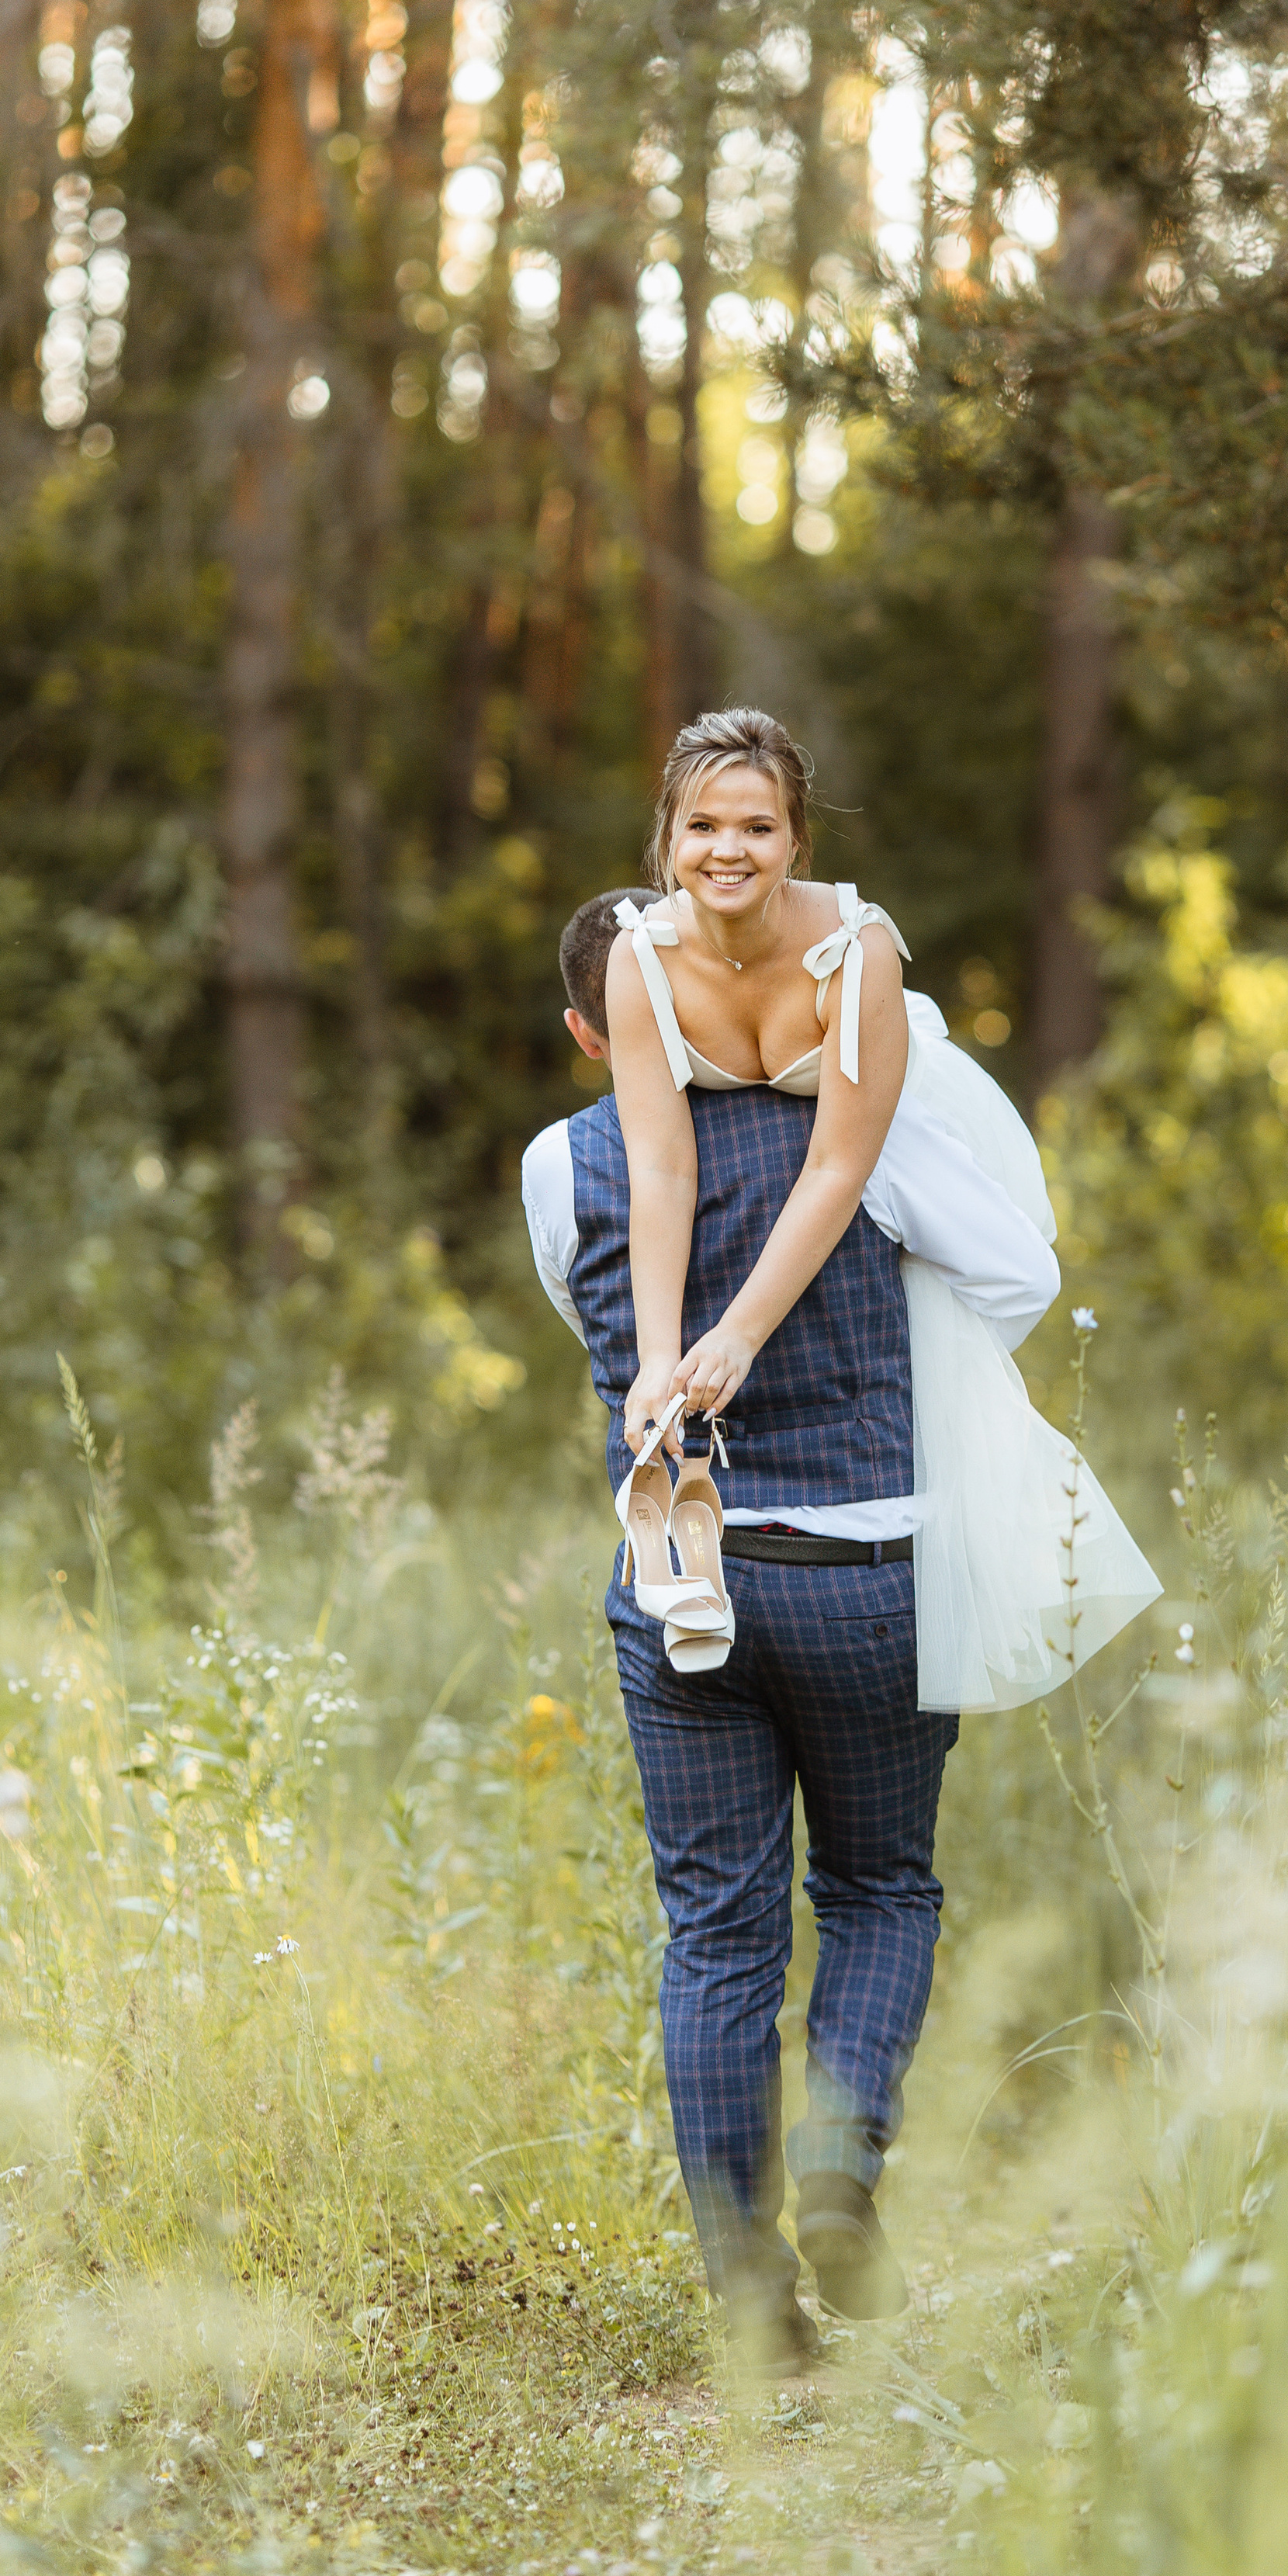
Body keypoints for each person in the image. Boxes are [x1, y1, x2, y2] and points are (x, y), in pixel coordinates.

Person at [521, 881, 1064, 2360]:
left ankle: (747, 2291)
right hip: (861, 1568)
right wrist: (902, 1352)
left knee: (713, 1933)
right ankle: (841, 2162)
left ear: (607, 1024)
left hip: (678, 1578)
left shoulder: (558, 1166)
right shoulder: (868, 1141)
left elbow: (605, 1330)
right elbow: (1021, 1273)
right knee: (882, 1889)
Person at [602, 712, 1159, 1713]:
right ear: (668, 839)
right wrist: (655, 1355)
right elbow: (661, 1165)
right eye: (703, 827)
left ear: (794, 842)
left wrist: (736, 1335)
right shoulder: (637, 958)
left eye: (758, 828)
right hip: (787, 1155)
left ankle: (934, 1392)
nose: (728, 850)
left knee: (1022, 1278)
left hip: (885, 1125)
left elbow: (838, 1164)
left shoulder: (859, 947)